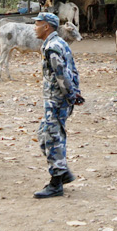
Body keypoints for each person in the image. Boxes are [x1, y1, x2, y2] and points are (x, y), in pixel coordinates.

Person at [33, 11, 84, 199]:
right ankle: (62, 171)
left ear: (47, 27)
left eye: (38, 24)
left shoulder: (52, 47)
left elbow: (61, 74)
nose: (35, 27)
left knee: (53, 137)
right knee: (44, 134)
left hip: (57, 99)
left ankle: (56, 183)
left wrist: (71, 95)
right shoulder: (58, 43)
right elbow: (73, 70)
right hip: (58, 98)